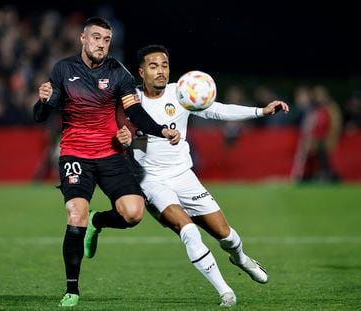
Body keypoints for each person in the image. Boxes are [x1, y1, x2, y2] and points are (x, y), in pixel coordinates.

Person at [121, 44, 289, 307]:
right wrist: (126, 141)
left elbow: (216, 109)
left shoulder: (181, 92)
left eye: (164, 65)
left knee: (227, 236)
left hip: (184, 176)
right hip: (151, 180)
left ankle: (241, 258)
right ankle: (225, 292)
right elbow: (117, 132)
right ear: (141, 71)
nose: (161, 71)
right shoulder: (130, 99)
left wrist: (260, 112)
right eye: (153, 66)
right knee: (188, 231)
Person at [32, 18, 180, 307]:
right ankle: (72, 289)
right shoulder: (63, 69)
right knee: (76, 214)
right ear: (83, 39)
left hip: (111, 154)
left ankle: (98, 221)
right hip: (75, 155)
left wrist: (161, 129)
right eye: (96, 37)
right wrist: (42, 101)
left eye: (107, 39)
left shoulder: (117, 72)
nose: (101, 44)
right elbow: (41, 116)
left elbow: (134, 111)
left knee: (133, 214)